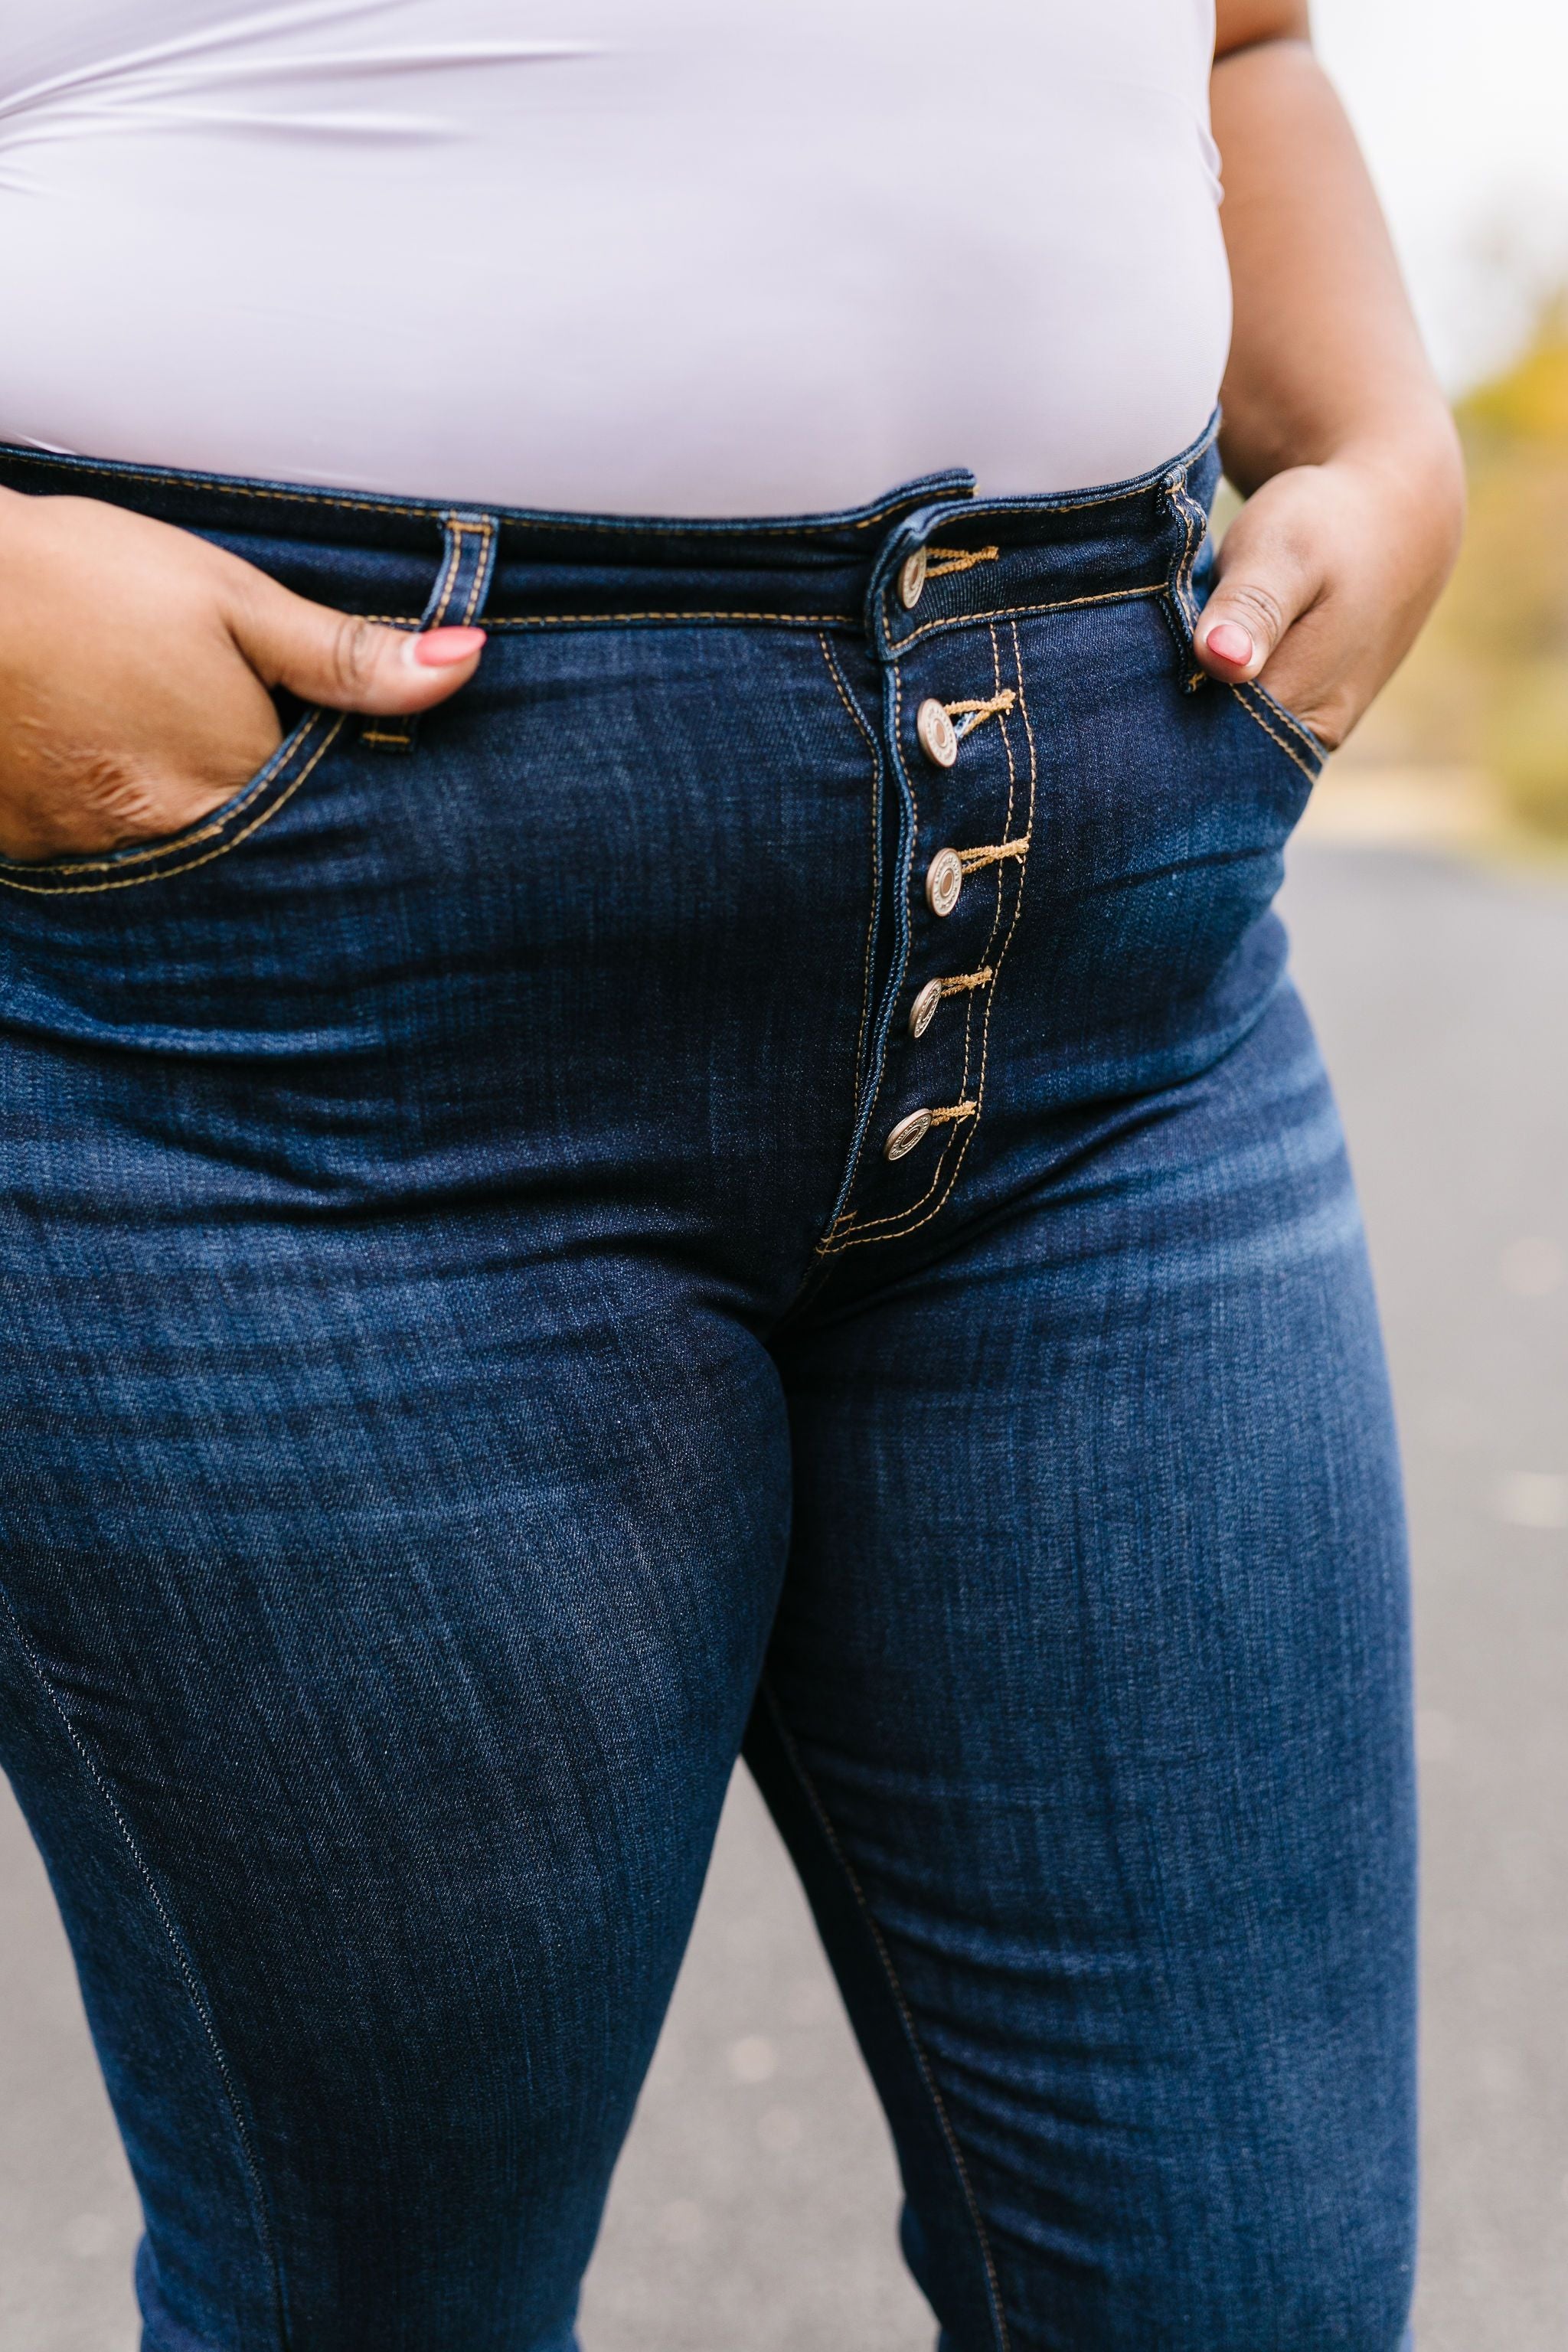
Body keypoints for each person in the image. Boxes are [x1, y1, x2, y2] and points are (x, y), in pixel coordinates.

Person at [0, 2, 1461, 2347]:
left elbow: (1247, 35)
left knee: (1247, 2296)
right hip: (284, 997)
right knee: (382, 2299)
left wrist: (1387, 436)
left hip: (1116, 933)